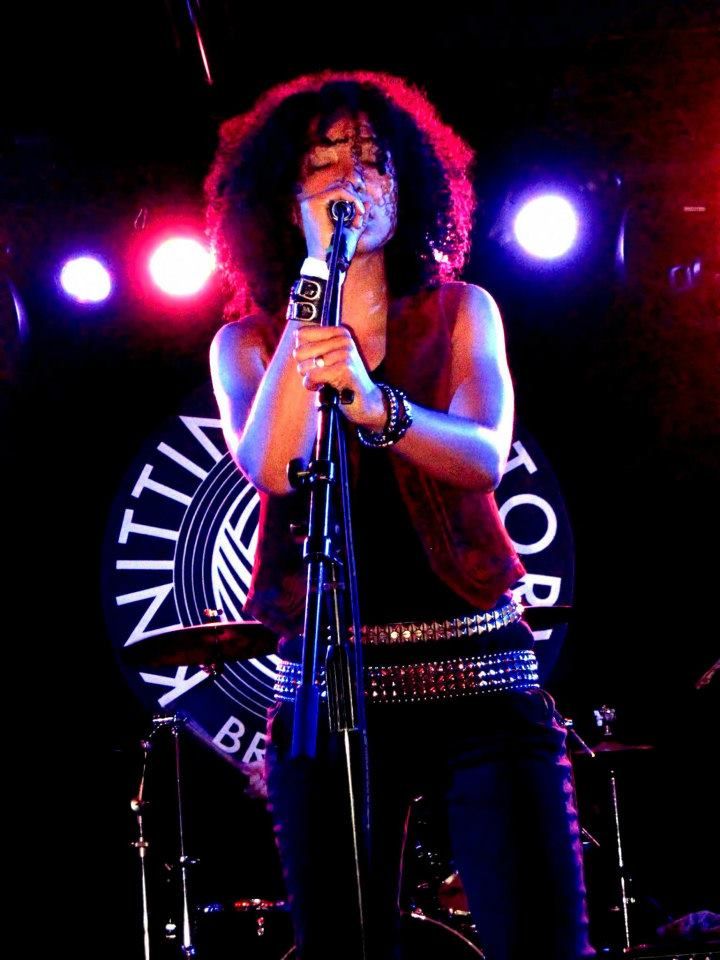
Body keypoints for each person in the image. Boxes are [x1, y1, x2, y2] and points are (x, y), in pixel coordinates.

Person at [207, 70, 594, 960]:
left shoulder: (463, 311)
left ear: (405, 184)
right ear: (287, 193)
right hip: (328, 686)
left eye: (373, 159)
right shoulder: (248, 342)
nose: (353, 176)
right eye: (325, 159)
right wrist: (317, 282)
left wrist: (374, 402)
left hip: (479, 671)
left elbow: (482, 453)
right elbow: (275, 464)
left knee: (541, 940)